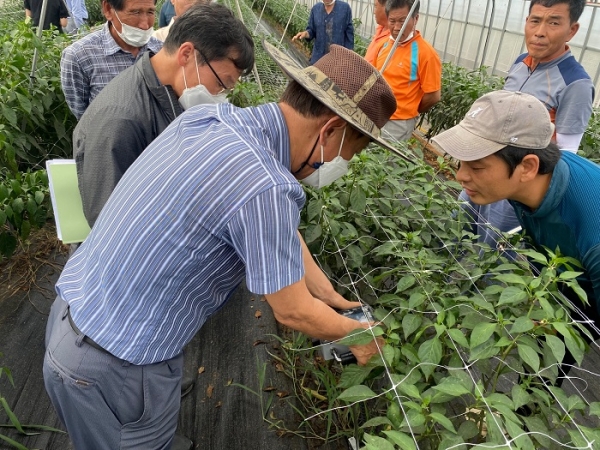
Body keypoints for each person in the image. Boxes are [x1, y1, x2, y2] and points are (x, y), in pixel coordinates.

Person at [43, 41, 397, 450]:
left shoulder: (211, 119)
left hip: (73, 314)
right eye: (347, 154)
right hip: (115, 364)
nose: (341, 166)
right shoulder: (266, 186)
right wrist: (358, 335)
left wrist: (331, 295)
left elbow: (279, 230)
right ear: (331, 129)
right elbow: (292, 310)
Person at [76, 3, 254, 228]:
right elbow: (111, 225)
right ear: (187, 53)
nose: (220, 94)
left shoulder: (167, 92)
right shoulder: (120, 120)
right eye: (221, 83)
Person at [432, 90, 600, 324]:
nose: (460, 176)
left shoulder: (593, 231)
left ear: (528, 167)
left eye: (476, 167)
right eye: (461, 163)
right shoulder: (531, 183)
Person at [459, 0, 594, 250]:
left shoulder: (576, 83)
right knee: (461, 226)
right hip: (487, 168)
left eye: (553, 22)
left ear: (571, 30)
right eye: (535, 20)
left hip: (517, 181)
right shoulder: (522, 62)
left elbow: (564, 153)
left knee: (493, 251)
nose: (540, 31)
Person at [60, 0, 163, 120]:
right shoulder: (79, 56)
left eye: (150, 12)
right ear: (108, 9)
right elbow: (84, 119)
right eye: (135, 12)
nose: (145, 24)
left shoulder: (161, 50)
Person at [373, 0, 441, 142]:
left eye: (402, 21)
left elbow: (433, 96)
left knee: (387, 162)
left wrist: (409, 110)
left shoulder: (426, 53)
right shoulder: (384, 45)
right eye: (392, 21)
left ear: (415, 18)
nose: (397, 27)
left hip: (398, 124)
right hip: (374, 115)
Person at [292, 0, 354, 64]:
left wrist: (348, 57)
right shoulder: (316, 9)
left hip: (337, 60)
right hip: (318, 58)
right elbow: (311, 30)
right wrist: (305, 33)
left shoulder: (344, 8)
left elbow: (349, 34)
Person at [364, 0, 389, 65]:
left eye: (375, 6)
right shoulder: (380, 28)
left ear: (386, 8)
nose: (374, 12)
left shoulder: (394, 37)